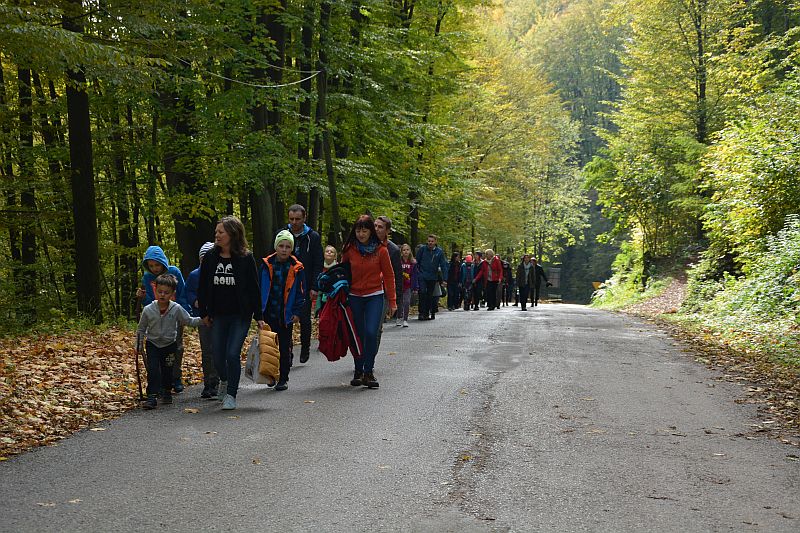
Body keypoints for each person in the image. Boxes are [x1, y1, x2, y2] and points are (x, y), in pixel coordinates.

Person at [197, 216, 265, 410]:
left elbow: (254, 287)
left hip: (240, 315)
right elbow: (203, 286)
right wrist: (204, 312)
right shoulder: (210, 257)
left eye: (221, 232)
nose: (217, 235)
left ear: (232, 234)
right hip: (218, 314)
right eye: (216, 232)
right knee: (218, 355)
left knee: (232, 353)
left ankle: (231, 394)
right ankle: (225, 380)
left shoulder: (245, 258)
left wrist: (259, 316)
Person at [340, 214, 397, 389]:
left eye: (365, 230)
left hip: (375, 295)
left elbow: (389, 276)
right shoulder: (349, 250)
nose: (361, 234)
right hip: (354, 296)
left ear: (370, 231)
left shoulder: (381, 251)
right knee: (357, 334)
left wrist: (393, 301)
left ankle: (368, 370)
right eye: (358, 230)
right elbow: (342, 272)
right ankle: (358, 370)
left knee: (371, 332)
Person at [136, 274, 202, 410]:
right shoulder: (148, 310)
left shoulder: (176, 308)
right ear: (155, 291)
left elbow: (189, 320)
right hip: (153, 344)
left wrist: (204, 320)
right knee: (153, 370)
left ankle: (166, 391)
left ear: (173, 294)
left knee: (167, 370)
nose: (162, 295)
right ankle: (151, 396)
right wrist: (139, 345)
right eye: (160, 292)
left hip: (169, 345)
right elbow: (141, 329)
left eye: (166, 293)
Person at [136, 245, 191, 393]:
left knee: (176, 348)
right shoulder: (147, 278)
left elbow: (182, 292)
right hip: (156, 318)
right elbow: (148, 301)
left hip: (174, 315)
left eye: (157, 264)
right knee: (157, 349)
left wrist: (184, 312)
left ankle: (175, 378)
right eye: (151, 265)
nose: (154, 268)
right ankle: (160, 381)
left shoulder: (174, 272)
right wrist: (142, 300)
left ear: (163, 262)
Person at [260, 230, 306, 391]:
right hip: (269, 312)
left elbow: (301, 292)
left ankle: (283, 377)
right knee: (268, 347)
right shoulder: (266, 265)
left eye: (288, 246)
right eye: (281, 246)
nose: (284, 249)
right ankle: (271, 375)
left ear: (291, 248)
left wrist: (297, 312)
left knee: (284, 347)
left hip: (286, 314)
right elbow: (259, 288)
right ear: (276, 247)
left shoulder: (297, 268)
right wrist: (258, 311)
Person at [282, 204, 323, 363]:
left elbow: (318, 262)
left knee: (304, 319)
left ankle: (305, 347)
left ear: (304, 218)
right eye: (291, 219)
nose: (294, 222)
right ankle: (288, 350)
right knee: (286, 320)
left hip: (304, 284)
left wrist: (314, 286)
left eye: (297, 219)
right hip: (285, 284)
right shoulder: (282, 234)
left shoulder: (312, 237)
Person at [186, 242, 219, 399]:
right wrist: (195, 302)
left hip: (218, 317)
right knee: (207, 351)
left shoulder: (220, 273)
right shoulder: (194, 275)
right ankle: (208, 383)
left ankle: (218, 381)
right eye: (203, 258)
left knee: (219, 349)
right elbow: (189, 292)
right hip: (202, 318)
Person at [374, 216, 403, 331]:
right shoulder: (364, 244)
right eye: (375, 226)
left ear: (387, 231)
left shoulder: (393, 250)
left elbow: (397, 274)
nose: (376, 229)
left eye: (380, 227)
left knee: (376, 327)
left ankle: (372, 348)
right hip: (364, 290)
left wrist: (396, 299)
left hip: (383, 293)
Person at [416, 234, 448, 320]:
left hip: (433, 277)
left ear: (435, 242)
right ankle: (421, 312)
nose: (430, 243)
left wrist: (445, 279)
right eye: (429, 241)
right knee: (422, 293)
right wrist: (417, 274)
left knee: (430, 295)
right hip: (422, 275)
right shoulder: (422, 249)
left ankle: (427, 313)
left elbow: (443, 265)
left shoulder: (439, 252)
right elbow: (417, 262)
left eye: (432, 241)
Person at [315, 245, 338, 317]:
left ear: (335, 256)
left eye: (331, 252)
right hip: (321, 298)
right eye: (327, 251)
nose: (329, 253)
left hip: (334, 297)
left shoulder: (338, 268)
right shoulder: (319, 267)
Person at [398, 243, 417, 327]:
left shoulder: (413, 262)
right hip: (399, 285)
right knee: (399, 302)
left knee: (406, 302)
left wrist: (416, 287)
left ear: (410, 251)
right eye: (404, 250)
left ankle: (405, 319)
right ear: (401, 252)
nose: (406, 252)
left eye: (407, 250)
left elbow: (415, 275)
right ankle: (399, 317)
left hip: (408, 285)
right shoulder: (398, 261)